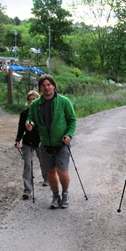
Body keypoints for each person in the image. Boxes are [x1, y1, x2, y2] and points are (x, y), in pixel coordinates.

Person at [26, 75, 77, 209]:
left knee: (62, 172)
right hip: (45, 144)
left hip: (61, 143)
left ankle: (65, 194)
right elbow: (30, 118)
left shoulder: (64, 101)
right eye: (43, 85)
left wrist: (69, 135)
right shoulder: (35, 104)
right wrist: (29, 123)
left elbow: (72, 120)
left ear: (53, 86)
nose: (46, 87)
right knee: (50, 173)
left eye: (49, 84)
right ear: (40, 88)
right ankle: (56, 196)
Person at [15, 90, 48, 200]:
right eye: (30, 99)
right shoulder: (24, 114)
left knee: (43, 161)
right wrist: (17, 139)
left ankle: (46, 178)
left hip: (39, 141)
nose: (31, 101)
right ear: (27, 101)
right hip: (27, 141)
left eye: (34, 99)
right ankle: (27, 190)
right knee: (28, 164)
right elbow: (21, 128)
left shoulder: (41, 112)